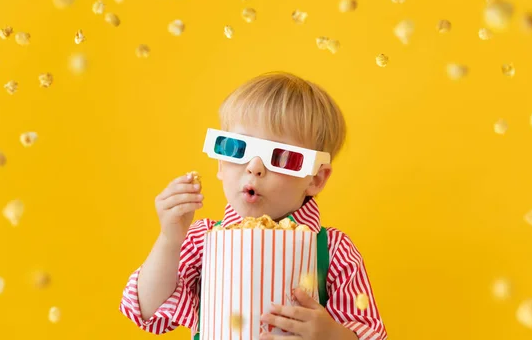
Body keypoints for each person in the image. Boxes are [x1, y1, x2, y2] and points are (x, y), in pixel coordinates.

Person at [119, 72, 387, 339]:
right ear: (221, 163)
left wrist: (332, 336)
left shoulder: (333, 252)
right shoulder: (202, 239)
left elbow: (372, 333)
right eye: (237, 148)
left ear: (315, 178)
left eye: (281, 157)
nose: (254, 167)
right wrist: (169, 239)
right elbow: (146, 310)